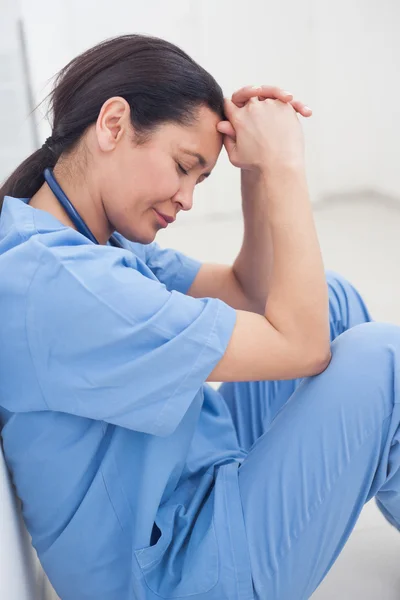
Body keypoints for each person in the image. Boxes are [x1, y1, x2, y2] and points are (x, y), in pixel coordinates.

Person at [0, 33, 399, 600]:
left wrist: (257, 171)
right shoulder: (65, 284)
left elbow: (247, 291)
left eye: (201, 179)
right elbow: (300, 346)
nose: (187, 199)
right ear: (113, 125)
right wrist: (287, 165)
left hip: (195, 496)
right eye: (184, 166)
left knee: (331, 301)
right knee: (385, 363)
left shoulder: (86, 241)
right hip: (175, 576)